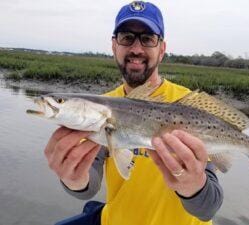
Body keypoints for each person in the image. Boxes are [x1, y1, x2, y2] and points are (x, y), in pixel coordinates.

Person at [46, 1, 223, 225]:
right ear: (114, 46)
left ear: (162, 49)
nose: (136, 49)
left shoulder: (191, 108)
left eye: (148, 38)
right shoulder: (98, 109)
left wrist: (194, 187)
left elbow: (209, 208)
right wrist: (73, 179)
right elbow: (88, 186)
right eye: (126, 37)